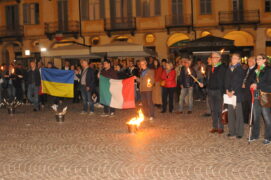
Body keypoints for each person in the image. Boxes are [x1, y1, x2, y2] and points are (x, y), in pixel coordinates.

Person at [249, 54, 271, 145]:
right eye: (256, 59)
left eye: (259, 59)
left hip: (265, 95)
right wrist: (252, 84)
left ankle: (268, 137)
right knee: (256, 115)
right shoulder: (256, 70)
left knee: (266, 117)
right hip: (257, 93)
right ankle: (255, 134)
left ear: (264, 60)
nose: (257, 60)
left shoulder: (268, 70)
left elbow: (269, 85)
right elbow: (252, 80)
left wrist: (257, 85)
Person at [225, 53, 245, 139]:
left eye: (236, 58)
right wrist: (226, 90)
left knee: (238, 114)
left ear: (239, 60)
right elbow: (226, 80)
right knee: (230, 114)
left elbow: (239, 82)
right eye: (233, 58)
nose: (234, 60)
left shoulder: (240, 69)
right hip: (229, 94)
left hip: (237, 94)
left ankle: (239, 132)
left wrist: (232, 91)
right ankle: (232, 131)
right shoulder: (229, 68)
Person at [206, 52, 227, 134]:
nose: (212, 58)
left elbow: (225, 80)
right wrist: (204, 84)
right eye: (212, 57)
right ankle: (214, 126)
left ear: (219, 58)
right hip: (211, 91)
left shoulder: (223, 67)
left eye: (214, 57)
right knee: (213, 110)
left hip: (219, 91)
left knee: (219, 110)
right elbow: (209, 79)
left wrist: (225, 91)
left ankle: (220, 127)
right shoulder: (210, 68)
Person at [242, 56, 257, 124]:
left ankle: (253, 121)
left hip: (252, 91)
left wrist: (247, 84)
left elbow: (255, 80)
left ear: (255, 62)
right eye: (248, 61)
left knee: (252, 107)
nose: (249, 62)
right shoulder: (247, 69)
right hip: (245, 91)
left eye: (251, 61)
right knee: (245, 106)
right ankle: (245, 120)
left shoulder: (256, 70)